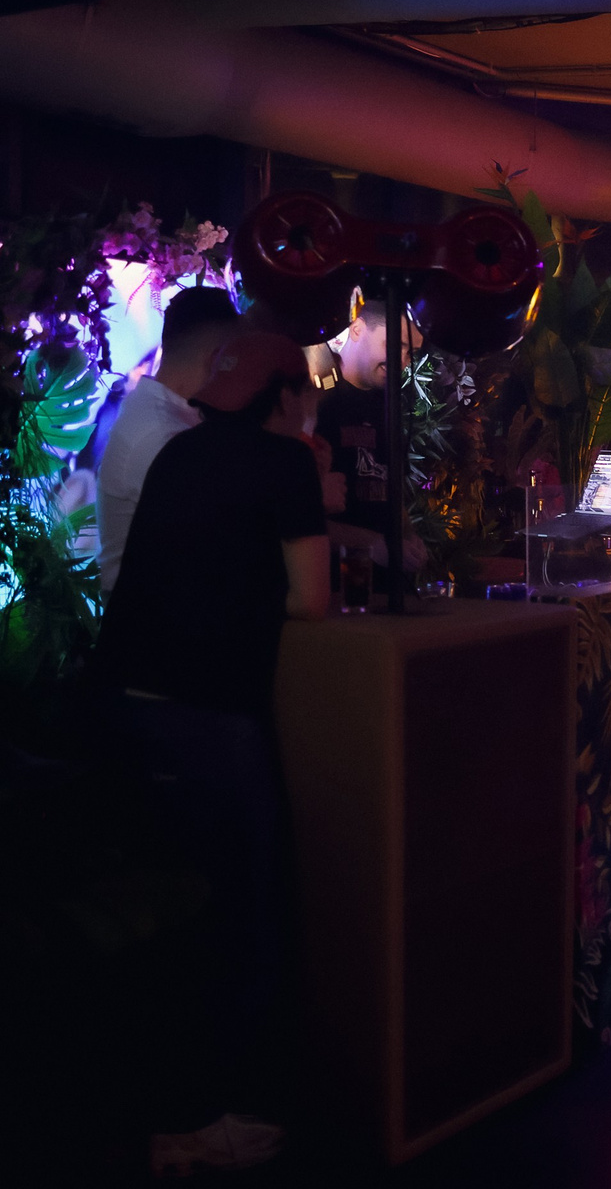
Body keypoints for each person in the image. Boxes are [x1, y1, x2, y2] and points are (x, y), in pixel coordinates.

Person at [92, 327, 331, 1178]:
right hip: (207, 713)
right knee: (240, 911)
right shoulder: (286, 464)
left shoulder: (180, 454)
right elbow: (312, 600)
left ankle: (163, 1117)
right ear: (286, 396)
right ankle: (209, 1120)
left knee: (170, 914)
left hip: (121, 700)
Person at [96, 287, 239, 594]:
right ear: (216, 358)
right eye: (233, 360)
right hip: (151, 616)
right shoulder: (160, 435)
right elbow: (219, 539)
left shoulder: (166, 415)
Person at [314, 298, 428, 576]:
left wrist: (409, 537)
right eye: (395, 346)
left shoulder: (387, 404)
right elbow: (297, 516)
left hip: (385, 582)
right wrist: (373, 544)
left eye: (411, 353)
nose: (402, 362)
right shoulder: (318, 400)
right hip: (334, 582)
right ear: (356, 329)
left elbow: (390, 489)